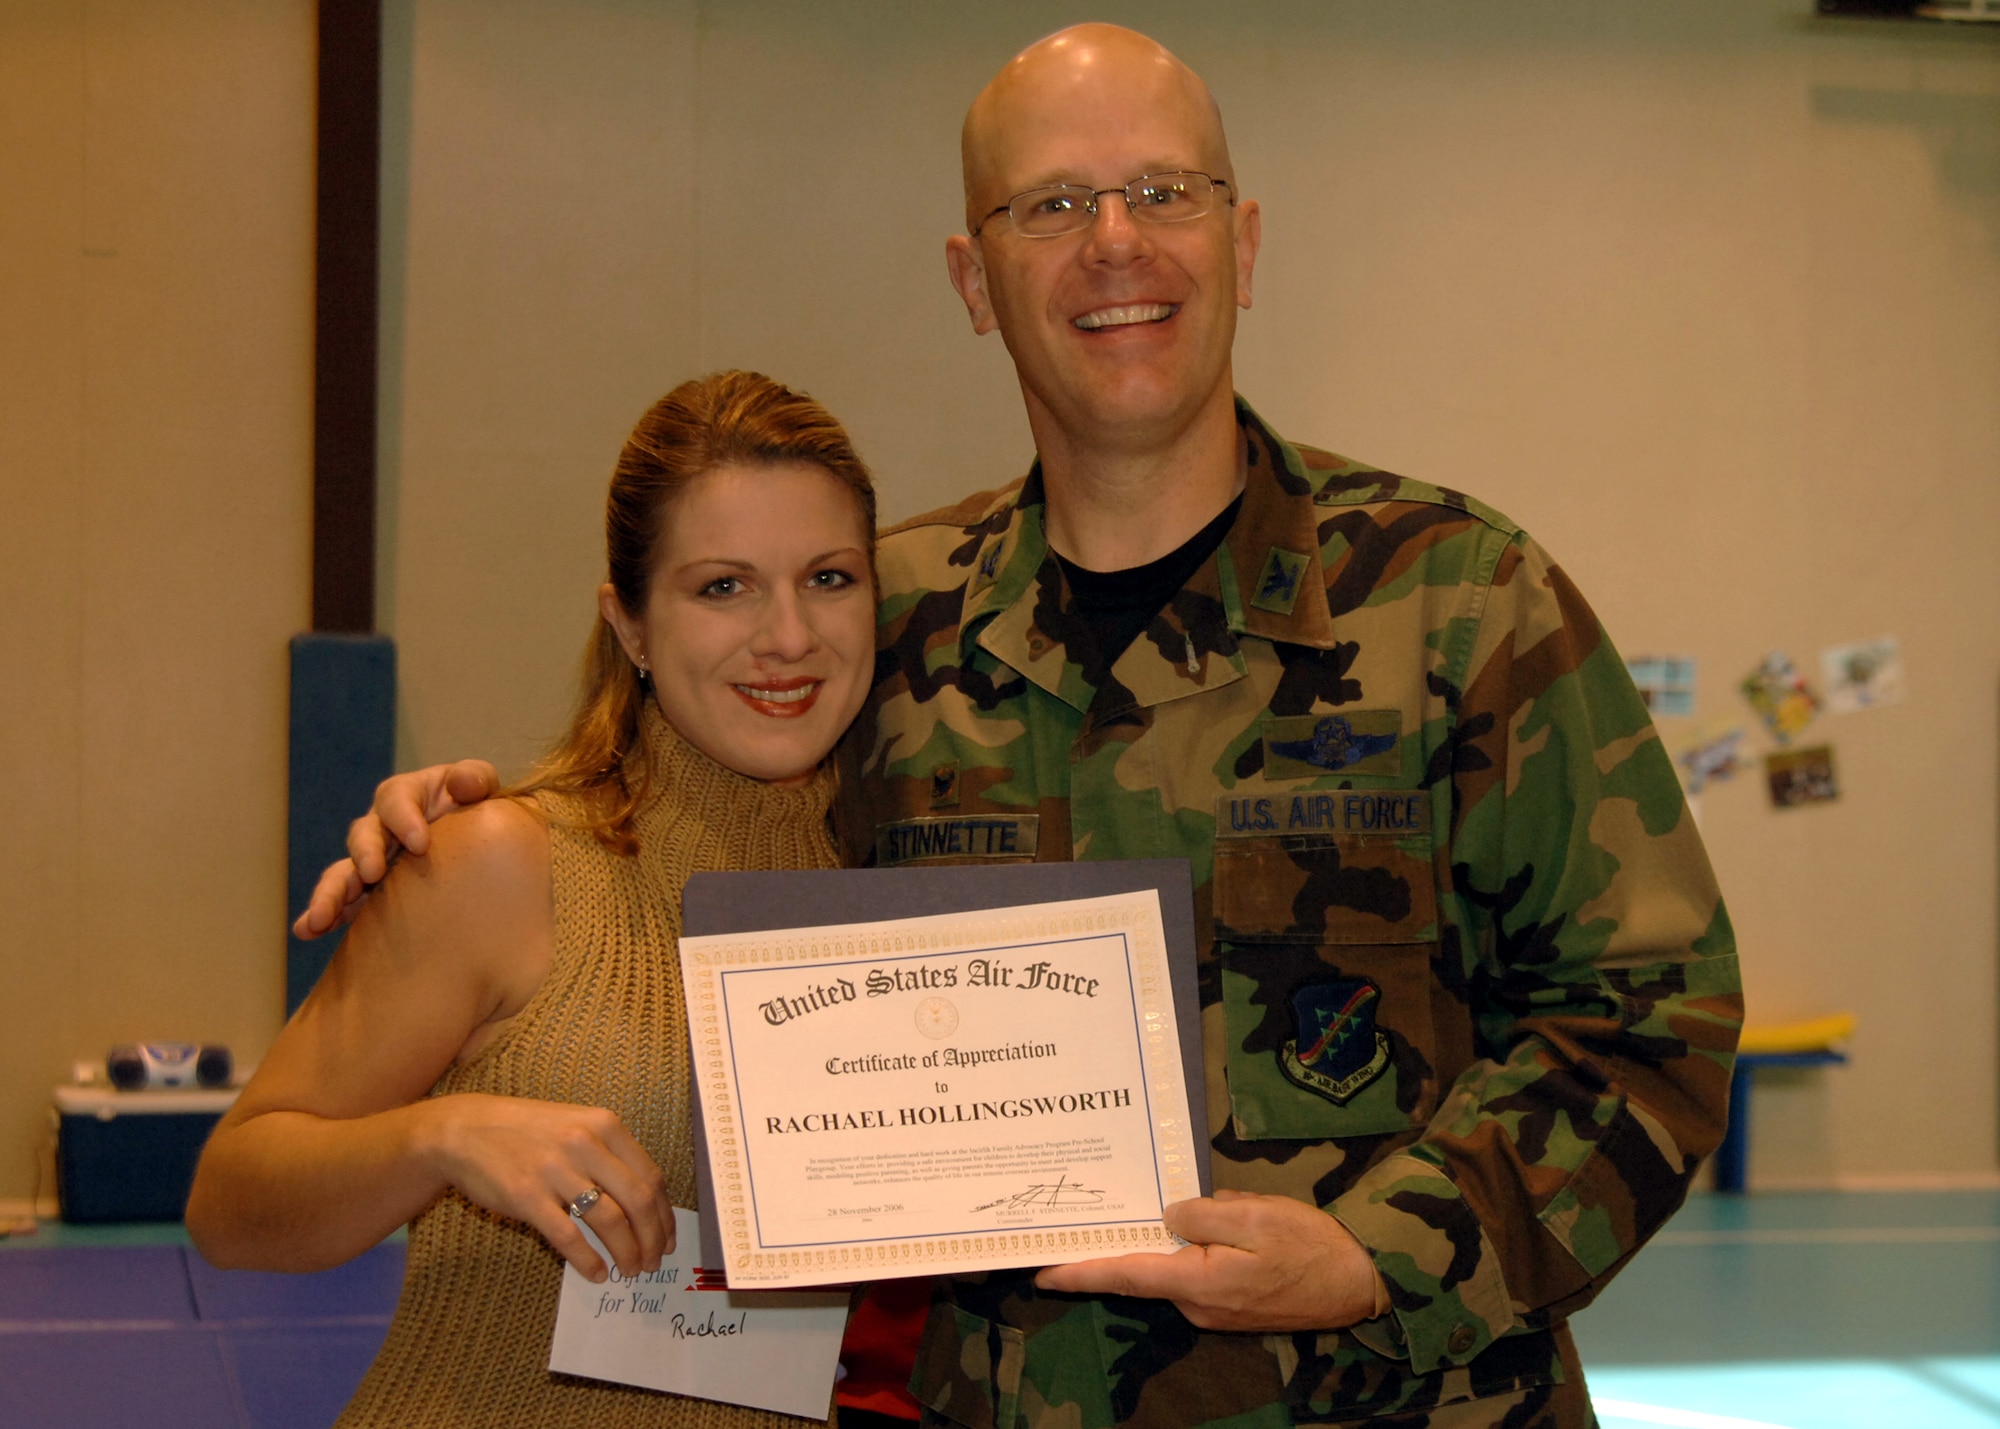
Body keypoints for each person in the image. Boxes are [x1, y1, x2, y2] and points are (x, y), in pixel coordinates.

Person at [301, 25, 1742, 1429]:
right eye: (1051, 204)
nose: (1116, 242)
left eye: (1163, 191)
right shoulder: (878, 623)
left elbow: (1646, 1018)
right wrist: (462, 823)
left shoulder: (1459, 603)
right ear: (974, 278)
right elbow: (662, 825)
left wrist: (1378, 1256)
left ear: (1242, 243)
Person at [189, 370, 880, 1427]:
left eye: (828, 578)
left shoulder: (906, 891)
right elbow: (230, 1205)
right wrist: (444, 1136)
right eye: (722, 587)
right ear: (632, 625)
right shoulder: (499, 863)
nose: (788, 635)